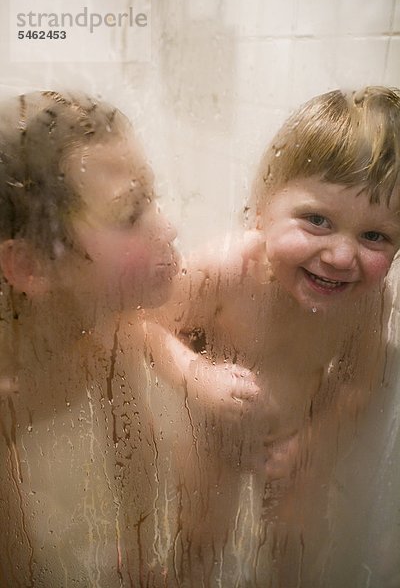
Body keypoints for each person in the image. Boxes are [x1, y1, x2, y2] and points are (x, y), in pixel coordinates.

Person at [146, 86, 400, 584]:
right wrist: (195, 374)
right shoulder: (225, 271)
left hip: (296, 434)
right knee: (201, 534)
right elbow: (146, 326)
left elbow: (358, 381)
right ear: (261, 210)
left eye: (376, 236)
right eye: (317, 220)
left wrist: (313, 442)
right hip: (213, 435)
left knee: (300, 538)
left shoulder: (369, 300)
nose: (342, 257)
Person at [0, 90, 184, 586]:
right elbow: (12, 547)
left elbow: (135, 450)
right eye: (130, 214)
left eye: (153, 197)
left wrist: (142, 555)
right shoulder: (8, 382)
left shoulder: (114, 328)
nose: (170, 226)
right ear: (33, 266)